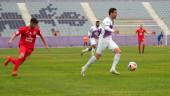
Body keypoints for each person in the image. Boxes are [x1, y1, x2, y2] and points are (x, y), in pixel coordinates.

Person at [81, 8, 121, 77]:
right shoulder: (107, 20)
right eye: (115, 13)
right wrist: (114, 31)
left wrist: (112, 32)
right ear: (111, 13)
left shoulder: (112, 20)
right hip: (103, 40)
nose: (116, 14)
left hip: (109, 40)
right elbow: (106, 28)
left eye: (116, 13)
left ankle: (113, 69)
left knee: (118, 52)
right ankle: (84, 67)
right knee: (97, 56)